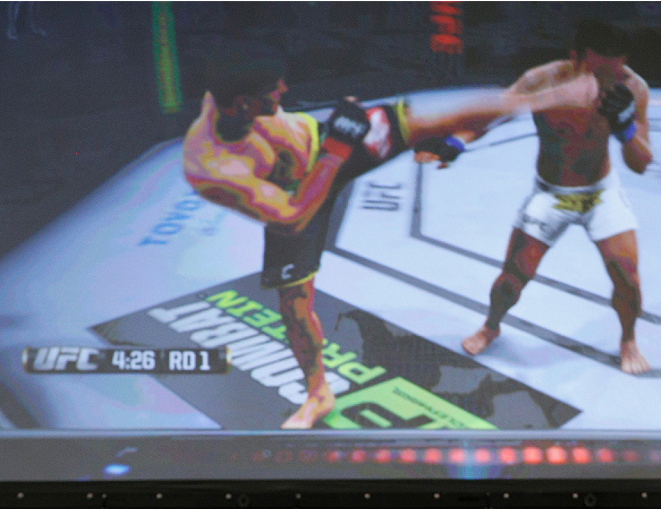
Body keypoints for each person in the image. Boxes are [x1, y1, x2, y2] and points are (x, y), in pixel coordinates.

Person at [183, 44, 601, 429]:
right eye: (273, 93)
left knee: (435, 120)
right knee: (294, 307)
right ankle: (319, 394)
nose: (284, 93)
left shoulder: (228, 93)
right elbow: (292, 218)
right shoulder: (214, 167)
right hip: (298, 196)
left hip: (327, 145)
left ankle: (535, 100)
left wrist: (534, 101)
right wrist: (337, 149)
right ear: (243, 104)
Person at [462, 19, 653, 375]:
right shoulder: (542, 80)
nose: (607, 82)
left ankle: (628, 338)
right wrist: (456, 141)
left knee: (628, 279)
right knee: (512, 280)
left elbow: (641, 164)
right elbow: (494, 113)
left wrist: (626, 127)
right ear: (575, 57)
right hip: (552, 193)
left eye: (616, 71)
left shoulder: (634, 88)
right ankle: (491, 325)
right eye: (599, 72)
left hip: (600, 194)